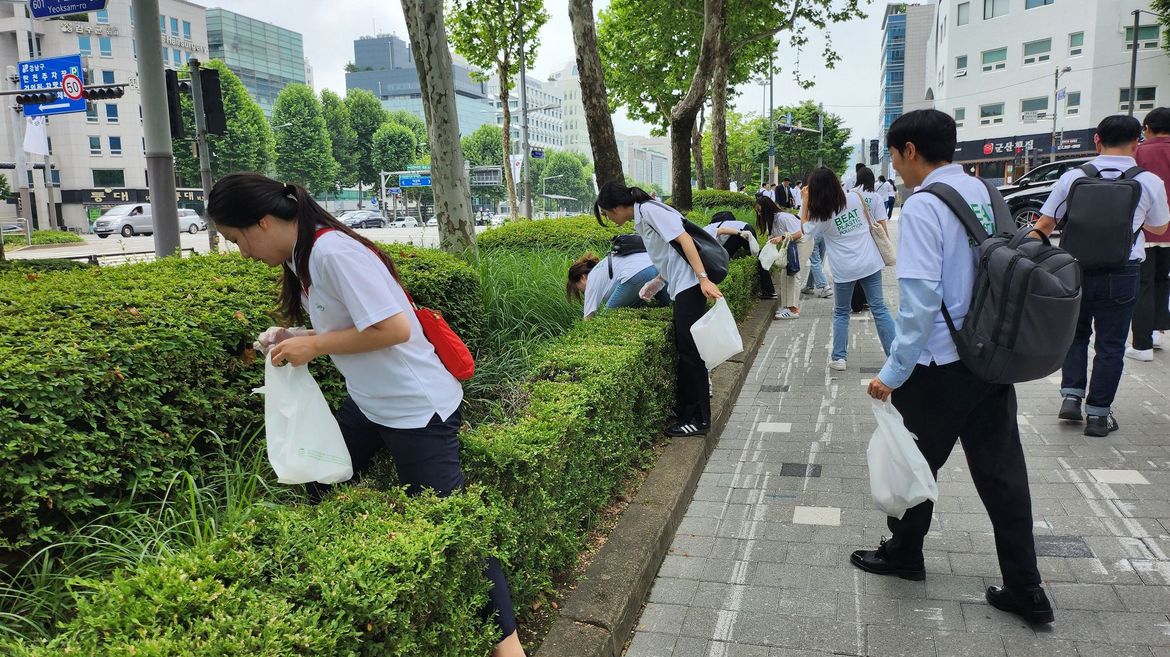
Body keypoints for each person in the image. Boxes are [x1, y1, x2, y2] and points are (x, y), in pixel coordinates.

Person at [207, 173, 525, 657]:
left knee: (453, 528)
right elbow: (350, 323)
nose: (242, 252)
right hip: (371, 403)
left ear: (264, 222)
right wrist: (294, 337)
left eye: (236, 239)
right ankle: (355, 589)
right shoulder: (302, 255)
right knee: (321, 478)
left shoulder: (332, 252)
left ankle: (510, 649)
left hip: (416, 409)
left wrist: (314, 345)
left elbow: (393, 329)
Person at [857, 108, 1054, 626]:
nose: (895, 167)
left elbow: (920, 303)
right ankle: (1026, 587)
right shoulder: (986, 192)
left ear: (910, 151)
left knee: (913, 462)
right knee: (1003, 475)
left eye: (895, 155)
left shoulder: (925, 206)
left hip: (940, 364)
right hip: (991, 358)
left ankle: (904, 554)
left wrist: (892, 373)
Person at [1033, 115, 1170, 437]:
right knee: (1111, 344)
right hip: (1123, 271)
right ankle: (1097, 415)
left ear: (1097, 139)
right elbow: (1160, 227)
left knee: (1075, 334)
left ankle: (1071, 396)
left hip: (1075, 268)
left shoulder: (1073, 177)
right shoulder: (1149, 181)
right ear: (1137, 142)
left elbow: (1046, 224)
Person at [595, 182, 723, 437]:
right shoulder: (644, 213)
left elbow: (685, 240)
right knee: (687, 350)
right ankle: (688, 413)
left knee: (691, 352)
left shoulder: (649, 211)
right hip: (683, 284)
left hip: (689, 284)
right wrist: (658, 281)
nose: (609, 219)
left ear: (617, 207)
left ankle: (698, 419)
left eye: (607, 214)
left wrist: (703, 279)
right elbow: (670, 253)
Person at [792, 167, 895, 369]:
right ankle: (894, 355)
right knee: (880, 308)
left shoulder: (820, 216)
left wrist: (804, 201)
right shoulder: (856, 198)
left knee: (841, 312)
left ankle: (839, 358)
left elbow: (804, 230)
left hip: (844, 269)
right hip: (870, 262)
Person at [1129, 107, 1170, 361]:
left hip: (1145, 229)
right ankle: (1156, 333)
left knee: (1143, 285)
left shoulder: (1139, 152)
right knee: (1163, 281)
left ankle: (1142, 345)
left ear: (1147, 128)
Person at [566, 250, 670, 319]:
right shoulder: (601, 269)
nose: (584, 292)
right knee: (670, 308)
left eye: (579, 289)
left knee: (606, 318)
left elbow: (588, 318)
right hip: (658, 269)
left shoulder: (592, 279)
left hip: (637, 274)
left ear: (582, 278)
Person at [703, 210, 777, 300]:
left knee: (723, 258)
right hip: (747, 228)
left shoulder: (706, 229)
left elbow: (721, 230)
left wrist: (741, 233)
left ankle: (768, 291)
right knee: (758, 258)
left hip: (740, 233)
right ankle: (769, 291)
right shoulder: (728, 223)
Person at [756, 195, 808, 319]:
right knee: (785, 274)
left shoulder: (783, 217)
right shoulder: (772, 221)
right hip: (791, 244)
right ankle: (787, 306)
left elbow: (800, 232)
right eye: (757, 211)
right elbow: (776, 237)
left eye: (760, 210)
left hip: (802, 242)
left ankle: (793, 310)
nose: (759, 214)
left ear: (767, 209)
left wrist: (782, 238)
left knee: (794, 273)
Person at [850, 168, 891, 313]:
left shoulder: (850, 193)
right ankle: (867, 300)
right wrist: (886, 239)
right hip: (871, 238)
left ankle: (855, 302)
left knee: (856, 270)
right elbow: (881, 221)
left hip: (853, 237)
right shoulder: (875, 197)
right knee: (870, 270)